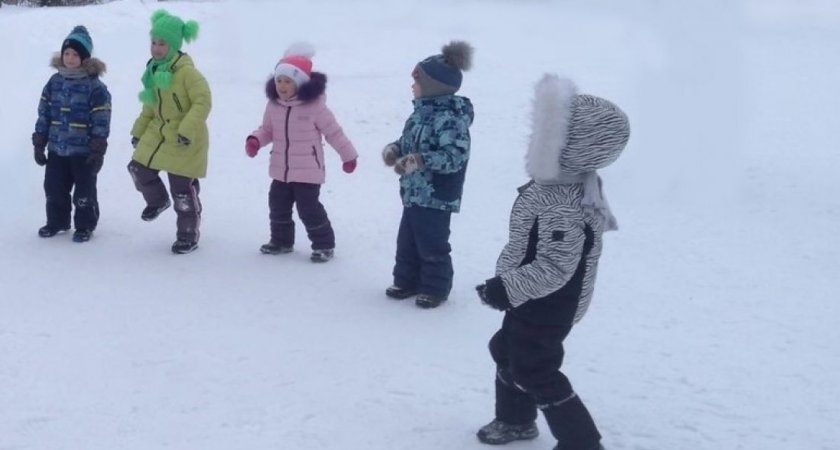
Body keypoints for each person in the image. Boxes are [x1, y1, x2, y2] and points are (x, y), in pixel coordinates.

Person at [475, 74, 630, 450]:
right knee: (506, 352)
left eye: (545, 137)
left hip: (549, 304)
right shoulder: (557, 186)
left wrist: (505, 288)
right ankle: (515, 420)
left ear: (571, 147)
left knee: (536, 369)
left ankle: (582, 442)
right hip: (530, 298)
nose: (534, 143)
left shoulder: (564, 204)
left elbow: (556, 267)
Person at [381, 41, 474, 308]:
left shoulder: (451, 120)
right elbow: (407, 142)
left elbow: (454, 157)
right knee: (407, 240)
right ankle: (406, 280)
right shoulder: (419, 115)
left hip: (436, 194)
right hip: (413, 191)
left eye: (417, 81)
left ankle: (435, 288)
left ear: (434, 86)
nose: (413, 86)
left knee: (432, 243)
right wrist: (394, 150)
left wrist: (418, 160)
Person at [246, 43, 358, 263]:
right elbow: (268, 130)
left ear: (300, 83)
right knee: (277, 205)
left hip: (308, 170)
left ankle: (324, 245)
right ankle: (281, 241)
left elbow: (334, 133)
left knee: (309, 208)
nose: (282, 86)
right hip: (281, 169)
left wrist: (349, 156)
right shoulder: (274, 106)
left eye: (288, 81)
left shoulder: (315, 107)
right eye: (279, 81)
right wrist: (256, 140)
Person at [128, 9, 211, 254]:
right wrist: (139, 130)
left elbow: (203, 101)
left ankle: (188, 235)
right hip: (159, 130)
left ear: (174, 44)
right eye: (153, 42)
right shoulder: (154, 70)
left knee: (182, 190)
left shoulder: (187, 72)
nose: (156, 48)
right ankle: (157, 200)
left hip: (185, 135)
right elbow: (149, 106)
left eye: (162, 43)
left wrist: (186, 128)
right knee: (137, 168)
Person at [33, 25, 111, 243]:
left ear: (84, 57)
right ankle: (57, 221)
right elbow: (44, 112)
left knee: (84, 191)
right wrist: (39, 141)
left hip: (83, 150)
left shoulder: (95, 87)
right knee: (54, 187)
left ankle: (85, 225)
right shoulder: (54, 82)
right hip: (57, 147)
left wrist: (98, 148)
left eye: (75, 54)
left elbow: (101, 119)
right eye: (66, 53)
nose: (69, 58)